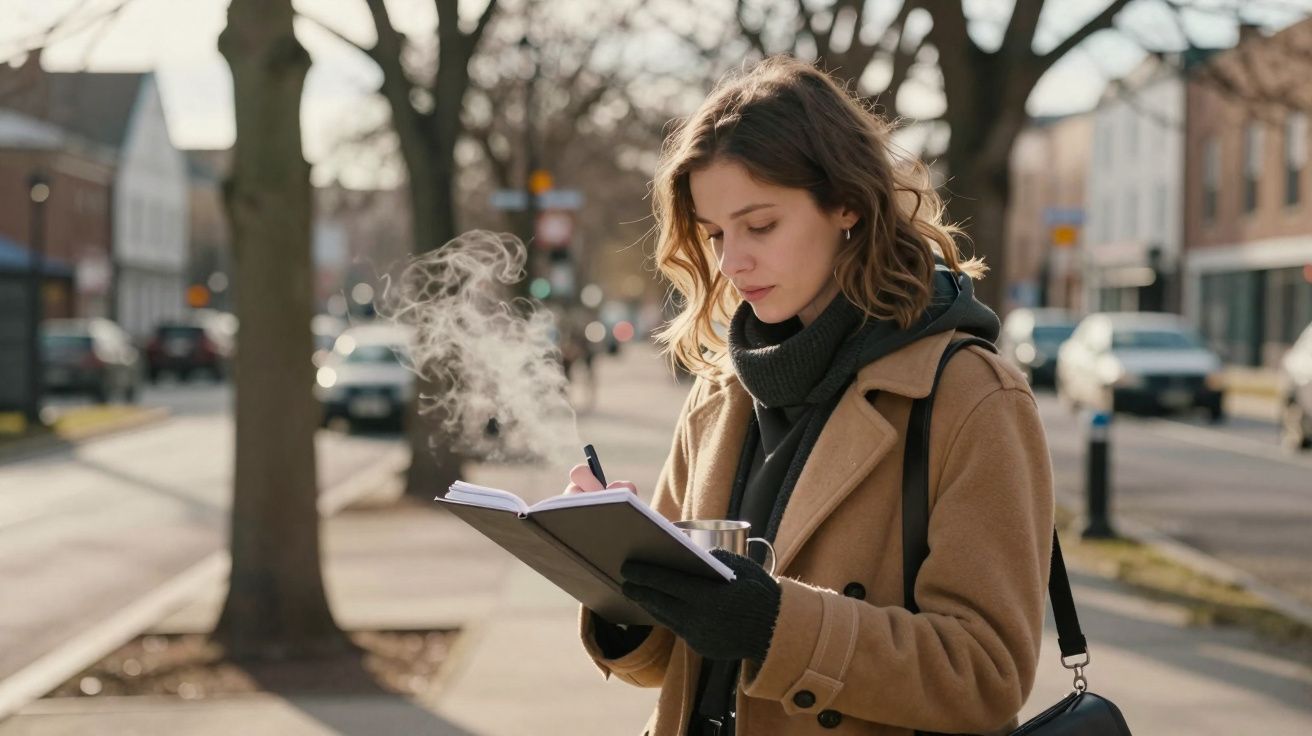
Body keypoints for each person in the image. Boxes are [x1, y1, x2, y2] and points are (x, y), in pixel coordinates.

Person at [562, 55, 1053, 736]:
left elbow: (985, 676)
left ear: (846, 201)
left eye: (760, 225)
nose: (733, 263)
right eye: (716, 234)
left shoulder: (969, 396)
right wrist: (621, 584)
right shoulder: (718, 393)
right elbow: (675, 664)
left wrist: (774, 626)